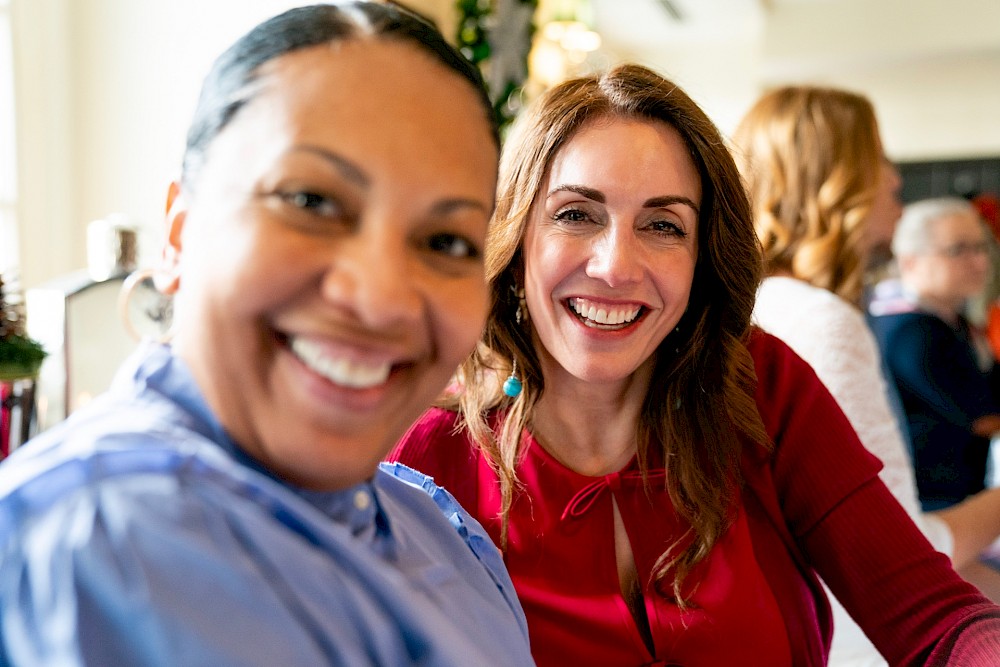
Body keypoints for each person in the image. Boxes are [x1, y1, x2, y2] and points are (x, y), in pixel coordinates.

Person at [389, 63, 1000, 666]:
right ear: (516, 236)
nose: (616, 267)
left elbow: (933, 617)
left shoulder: (762, 387)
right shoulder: (418, 452)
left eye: (662, 225)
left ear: (702, 257)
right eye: (576, 214)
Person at [0, 4, 534, 665]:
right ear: (178, 232)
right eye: (310, 201)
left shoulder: (440, 526)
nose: (379, 297)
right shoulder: (96, 541)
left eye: (446, 240)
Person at [734, 85, 1000, 666]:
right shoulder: (818, 320)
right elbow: (909, 552)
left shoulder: (764, 306)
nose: (894, 179)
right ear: (839, 178)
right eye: (878, 158)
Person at [870, 197, 1000, 511]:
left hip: (960, 497)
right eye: (959, 250)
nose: (980, 263)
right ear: (910, 261)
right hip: (927, 505)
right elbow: (983, 417)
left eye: (981, 247)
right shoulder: (910, 331)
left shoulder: (953, 319)